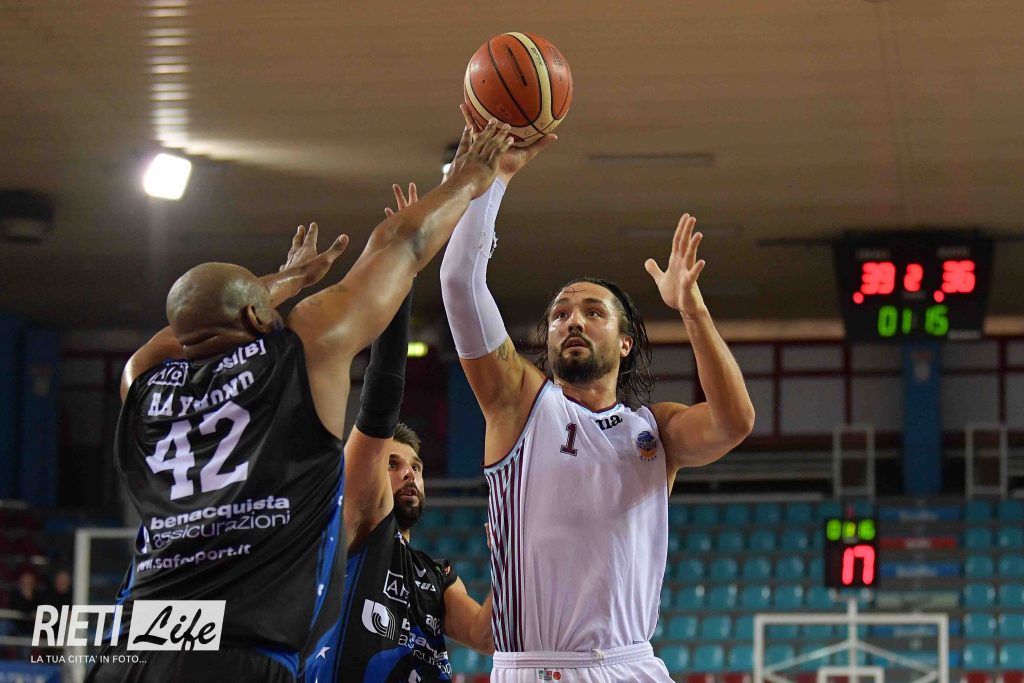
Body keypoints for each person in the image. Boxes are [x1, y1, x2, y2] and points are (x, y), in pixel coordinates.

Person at [87, 119, 514, 683]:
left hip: (132, 646)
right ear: (255, 315)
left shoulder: (141, 385)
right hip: (240, 652)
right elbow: (401, 243)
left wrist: (281, 281)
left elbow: (175, 332)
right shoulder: (300, 354)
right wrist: (468, 180)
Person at [437, 105, 755, 682]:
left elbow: (734, 422)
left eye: (592, 312)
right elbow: (460, 284)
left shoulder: (653, 430)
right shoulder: (519, 404)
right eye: (560, 314)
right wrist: (496, 181)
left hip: (634, 665)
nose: (573, 321)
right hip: (538, 668)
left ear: (626, 342)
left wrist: (693, 310)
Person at [306, 184, 493, 683]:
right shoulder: (359, 525)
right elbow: (381, 398)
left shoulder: (435, 572)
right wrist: (403, 270)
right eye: (393, 464)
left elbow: (485, 635)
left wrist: (516, 555)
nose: (410, 474)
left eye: (416, 466)